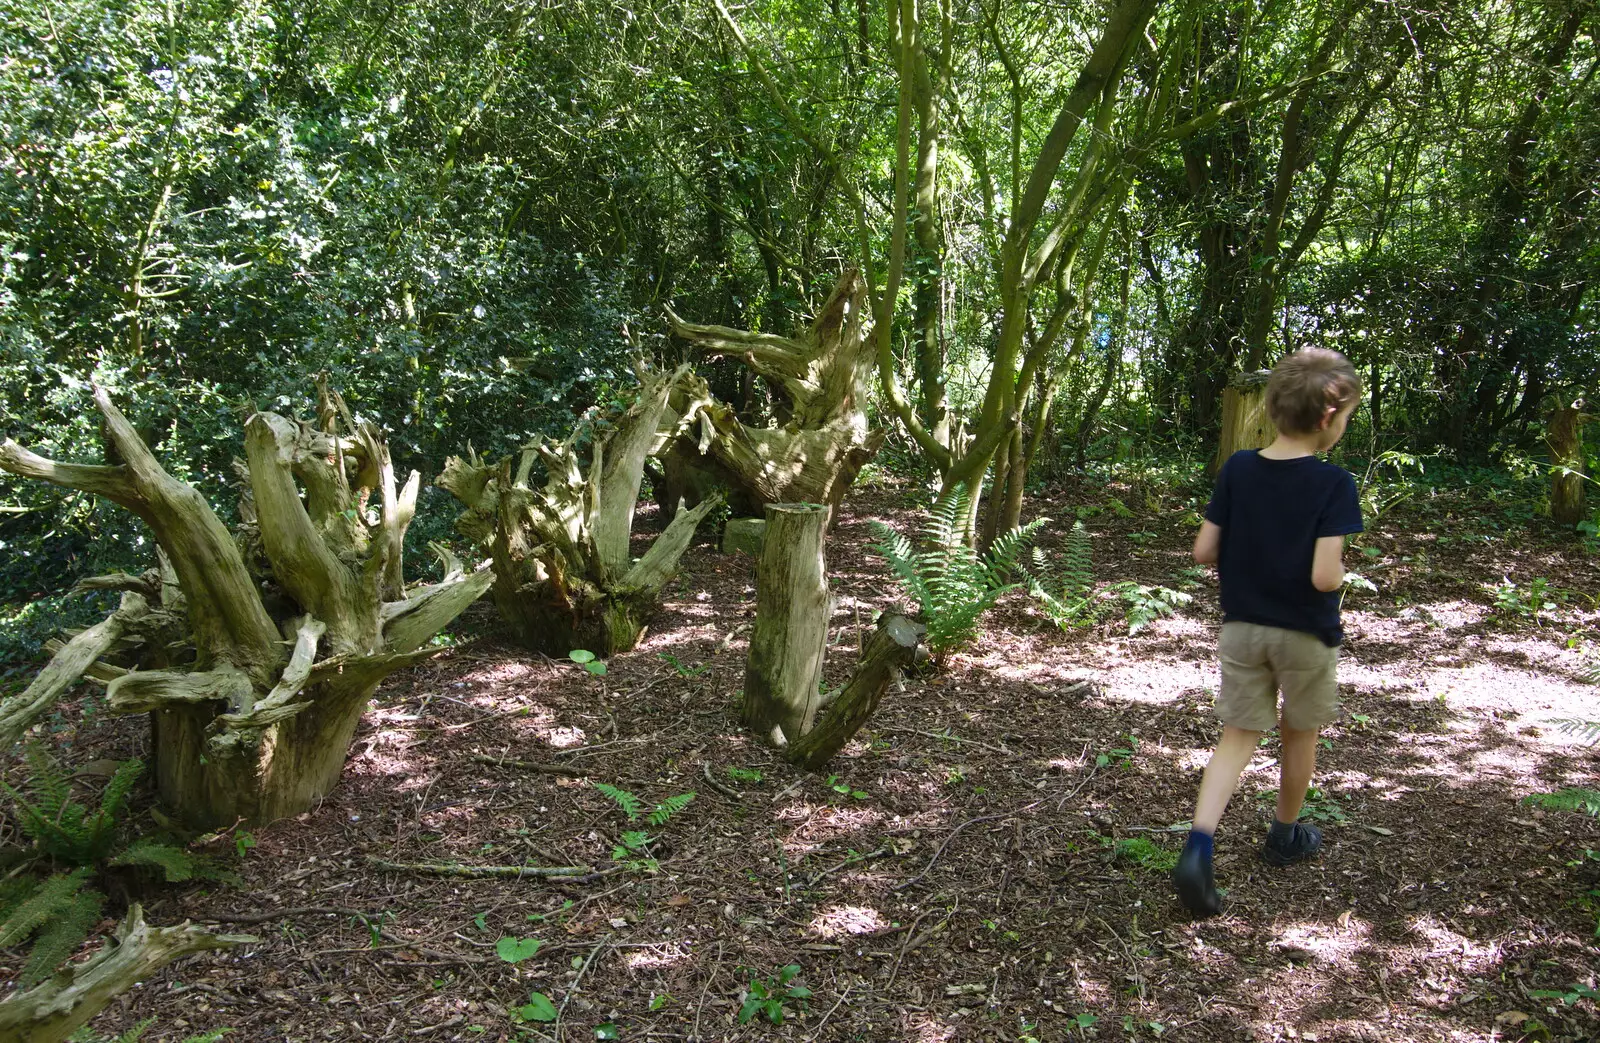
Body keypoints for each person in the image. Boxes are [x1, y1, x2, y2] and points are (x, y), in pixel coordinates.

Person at [1173, 348, 1365, 918]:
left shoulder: (1238, 467)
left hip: (1243, 630)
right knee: (1298, 734)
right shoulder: (1335, 485)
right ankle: (1284, 836)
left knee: (1236, 736)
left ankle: (1199, 845)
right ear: (1329, 419)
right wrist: (1346, 577)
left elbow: (1203, 550)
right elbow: (1324, 575)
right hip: (1304, 635)